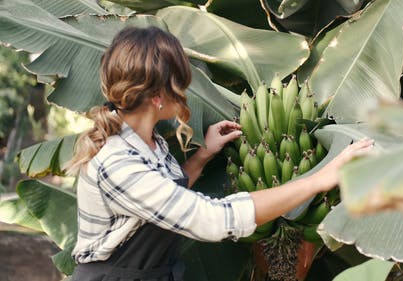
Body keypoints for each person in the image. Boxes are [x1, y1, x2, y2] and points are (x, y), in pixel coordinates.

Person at [66, 26, 374, 281]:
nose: (186, 91)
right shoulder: (117, 162)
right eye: (181, 82)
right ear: (158, 97)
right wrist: (318, 180)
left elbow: (160, 200)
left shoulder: (149, 142)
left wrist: (202, 157)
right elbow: (211, 219)